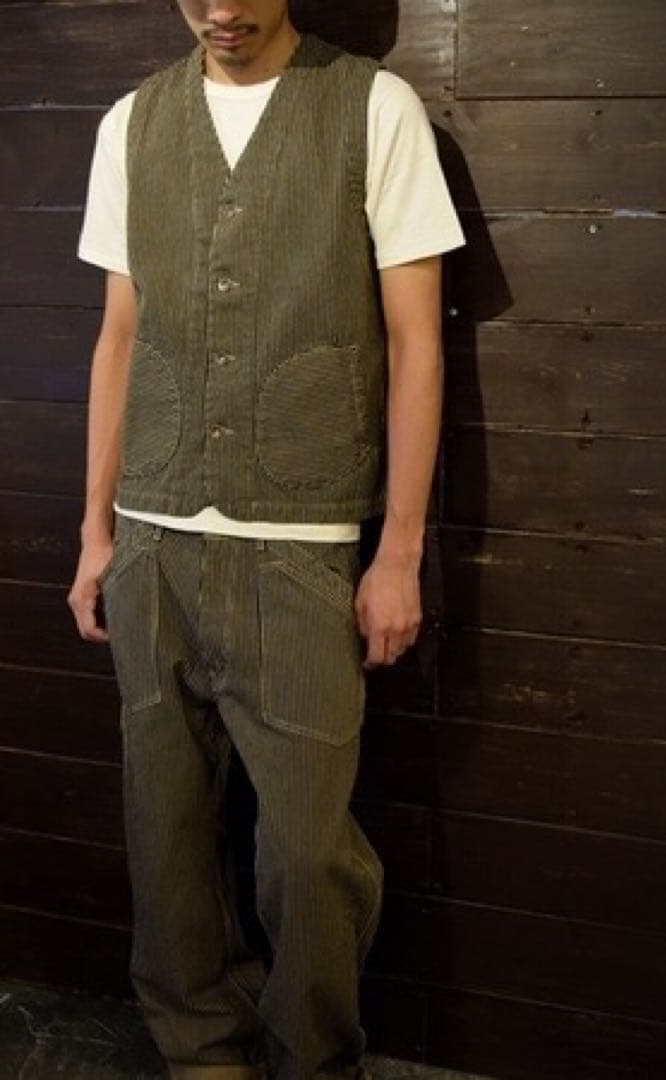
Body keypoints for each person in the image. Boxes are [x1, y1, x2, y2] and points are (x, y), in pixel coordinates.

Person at [67, 2, 465, 1079]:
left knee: (307, 852)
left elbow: (416, 345)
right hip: (152, 539)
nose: (221, 9)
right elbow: (119, 335)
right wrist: (96, 533)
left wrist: (398, 552)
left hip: (302, 546)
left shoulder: (373, 109)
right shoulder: (132, 123)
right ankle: (197, 1047)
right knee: (165, 832)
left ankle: (314, 1058)